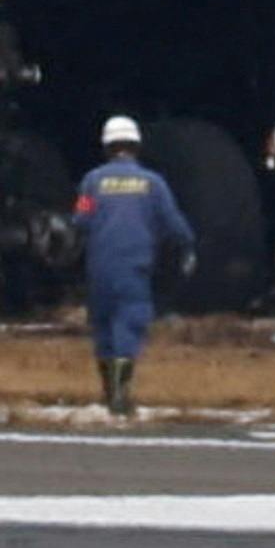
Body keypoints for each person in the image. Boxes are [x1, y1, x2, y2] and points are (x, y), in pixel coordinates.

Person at [72, 116, 191, 416]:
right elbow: (174, 224)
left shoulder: (92, 181)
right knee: (129, 324)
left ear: (107, 146)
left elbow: (80, 220)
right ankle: (120, 398)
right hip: (134, 268)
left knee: (103, 327)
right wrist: (187, 247)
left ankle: (108, 391)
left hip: (99, 268)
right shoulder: (152, 183)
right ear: (137, 145)